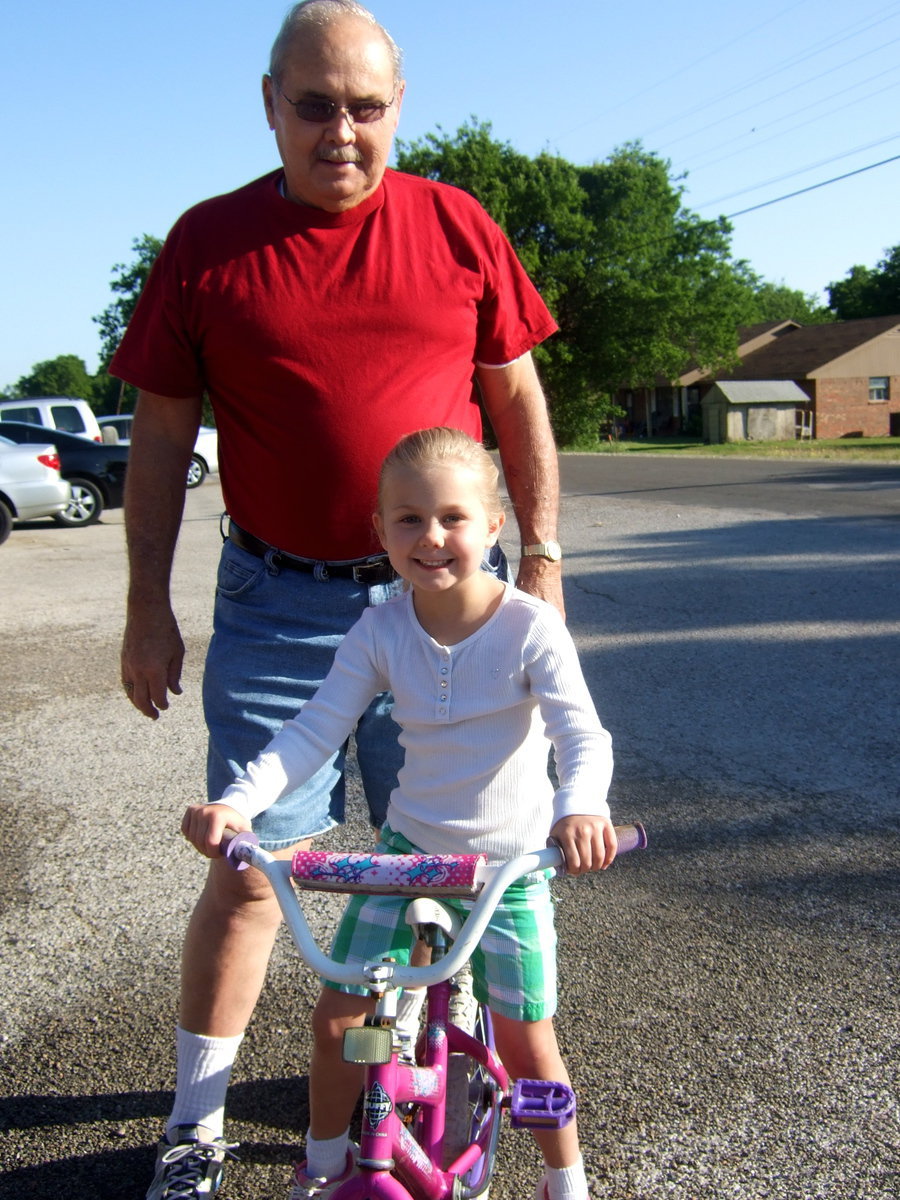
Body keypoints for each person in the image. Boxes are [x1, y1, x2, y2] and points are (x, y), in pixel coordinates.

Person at [111, 3, 563, 1196]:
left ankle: (438, 1045)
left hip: (454, 605)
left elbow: (516, 402)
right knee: (258, 866)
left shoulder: (458, 226)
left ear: (397, 105)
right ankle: (194, 1126)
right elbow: (159, 436)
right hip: (280, 605)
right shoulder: (208, 244)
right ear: (271, 106)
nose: (342, 131)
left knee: (464, 850)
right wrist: (145, 606)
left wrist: (549, 560)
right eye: (315, 106)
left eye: (366, 106)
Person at [183, 428, 616, 1200]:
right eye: (408, 520)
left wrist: (580, 809)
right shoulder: (380, 628)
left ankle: (566, 1178)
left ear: (493, 526)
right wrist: (237, 802)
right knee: (338, 1020)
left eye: (453, 516)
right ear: (379, 534)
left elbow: (580, 735)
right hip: (407, 853)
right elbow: (313, 728)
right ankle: (320, 1165)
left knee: (527, 1043)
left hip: (507, 868)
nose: (432, 537)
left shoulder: (529, 629)